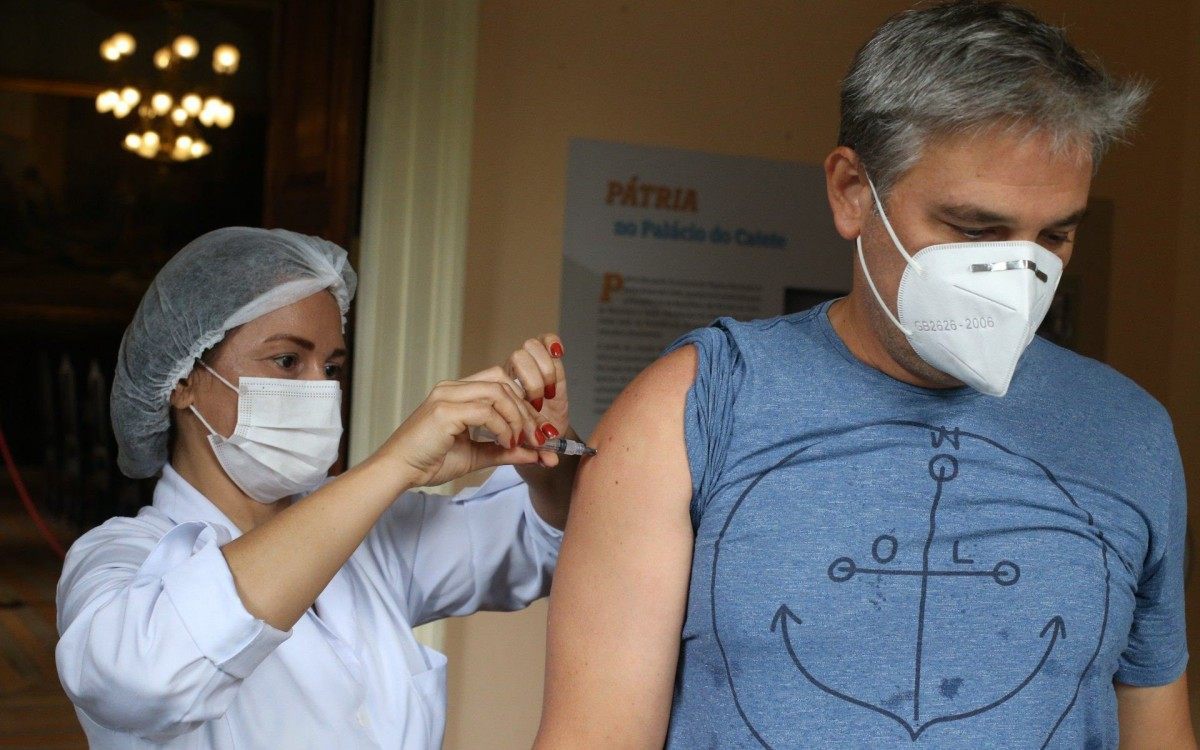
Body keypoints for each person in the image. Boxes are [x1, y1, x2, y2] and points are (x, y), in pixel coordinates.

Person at [535, 2, 1195, 748]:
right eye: (975, 230)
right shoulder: (691, 409)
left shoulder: (1129, 435)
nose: (1019, 274)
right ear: (853, 192)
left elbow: (1157, 726)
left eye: (1055, 235)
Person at [56, 227, 579, 748]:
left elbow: (547, 543)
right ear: (182, 381)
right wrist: (392, 465)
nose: (321, 390)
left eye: (331, 367)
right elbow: (139, 677)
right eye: (287, 361)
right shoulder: (118, 560)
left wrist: (544, 448)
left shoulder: (372, 540)